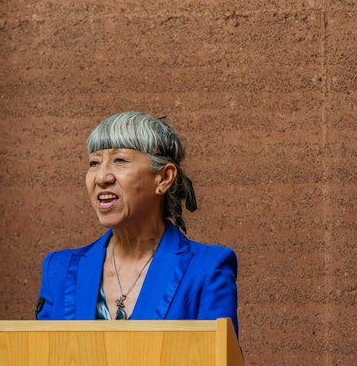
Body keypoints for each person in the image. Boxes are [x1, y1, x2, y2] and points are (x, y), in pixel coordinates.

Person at [35, 111, 238, 334]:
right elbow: (46, 362)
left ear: (164, 178)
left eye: (119, 160)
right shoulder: (59, 269)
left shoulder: (206, 270)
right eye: (94, 163)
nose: (101, 177)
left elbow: (218, 365)